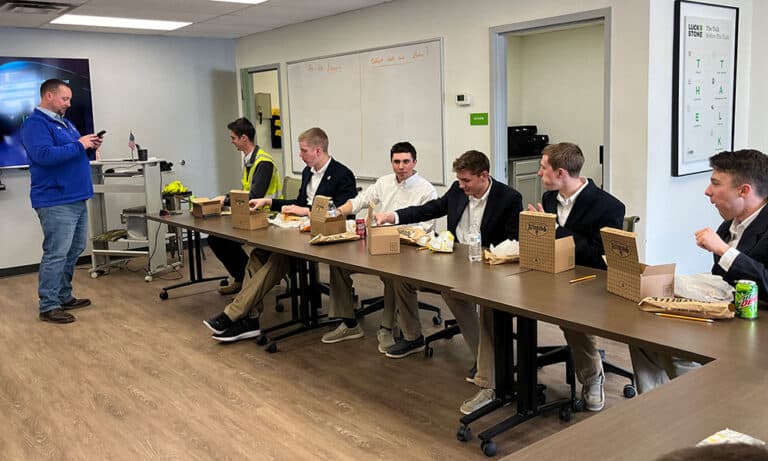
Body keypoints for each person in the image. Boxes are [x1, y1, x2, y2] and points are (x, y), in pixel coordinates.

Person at [461, 142, 624, 415]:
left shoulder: (608, 206)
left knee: (572, 319)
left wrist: (555, 230)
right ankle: (491, 382)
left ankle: (592, 377)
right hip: (548, 275)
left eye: (543, 167)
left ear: (561, 172)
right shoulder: (550, 199)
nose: (538, 173)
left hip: (587, 282)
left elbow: (598, 253)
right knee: (491, 302)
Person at [630, 149, 768, 393]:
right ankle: (655, 408)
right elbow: (721, 281)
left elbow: (765, 283)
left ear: (744, 190)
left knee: (676, 349)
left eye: (715, 183)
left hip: (756, 327)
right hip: (726, 314)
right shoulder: (731, 223)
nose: (707, 191)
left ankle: (700, 407)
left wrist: (724, 251)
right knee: (642, 336)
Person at [203, 127, 357, 342]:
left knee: (279, 258)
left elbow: (342, 213)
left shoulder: (342, 175)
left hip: (325, 239)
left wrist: (306, 212)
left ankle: (233, 313)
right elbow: (299, 203)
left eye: (303, 151)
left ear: (318, 151)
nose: (300, 155)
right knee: (258, 255)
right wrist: (269, 202)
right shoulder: (307, 173)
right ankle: (251, 320)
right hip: (299, 234)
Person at [375, 150, 523, 362]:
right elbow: (431, 209)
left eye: (466, 181)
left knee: (452, 292)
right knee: (402, 278)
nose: (461, 186)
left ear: (484, 176)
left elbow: (513, 241)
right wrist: (394, 216)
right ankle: (412, 337)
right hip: (453, 260)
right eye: (459, 180)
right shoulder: (458, 190)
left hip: (489, 266)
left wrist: (487, 257)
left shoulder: (508, 198)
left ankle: (485, 363)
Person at [320, 141, 438, 354]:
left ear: (415, 162)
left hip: (407, 250)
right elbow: (359, 201)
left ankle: (386, 328)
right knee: (339, 264)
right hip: (377, 242)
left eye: (406, 161)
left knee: (393, 273)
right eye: (396, 161)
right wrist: (337, 212)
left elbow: (424, 229)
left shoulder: (426, 190)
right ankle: (349, 323)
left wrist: (392, 227)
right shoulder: (383, 182)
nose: (401, 166)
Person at [20, 78, 103, 323]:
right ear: (49, 96)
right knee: (56, 253)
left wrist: (89, 147)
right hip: (55, 199)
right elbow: (44, 156)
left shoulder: (66, 123)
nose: (68, 103)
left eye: (69, 99)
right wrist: (79, 145)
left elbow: (73, 154)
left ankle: (64, 296)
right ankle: (48, 305)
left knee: (74, 249)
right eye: (64, 98)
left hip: (77, 196)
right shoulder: (35, 124)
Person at [208, 117, 282, 296]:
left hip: (267, 217)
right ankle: (242, 278)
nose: (231, 141)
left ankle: (249, 281)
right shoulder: (250, 160)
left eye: (233, 137)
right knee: (216, 238)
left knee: (221, 240)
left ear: (244, 138)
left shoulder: (263, 162)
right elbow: (245, 192)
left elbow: (255, 196)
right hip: (251, 215)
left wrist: (225, 200)